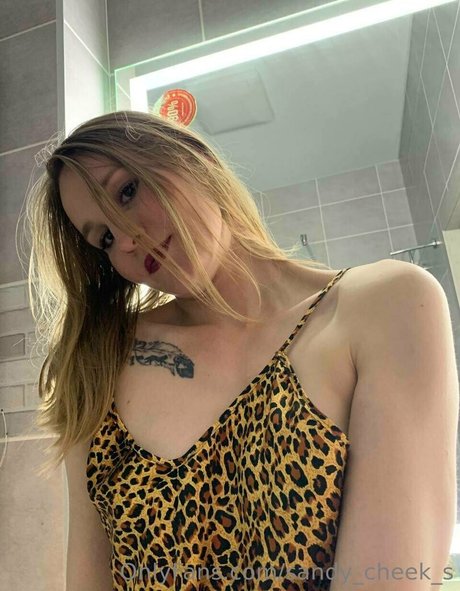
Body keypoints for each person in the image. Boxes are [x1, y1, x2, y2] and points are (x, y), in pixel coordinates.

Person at [24, 111, 458, 590]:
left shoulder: (384, 306)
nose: (126, 239)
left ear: (192, 157)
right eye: (103, 238)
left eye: (127, 191)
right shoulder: (99, 363)